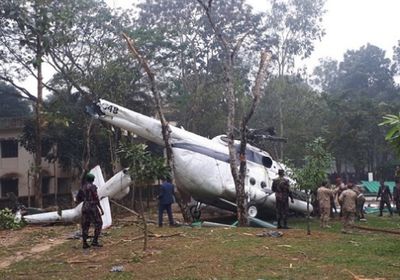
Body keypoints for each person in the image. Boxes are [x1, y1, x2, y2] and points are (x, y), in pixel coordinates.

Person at [76, 173, 104, 249]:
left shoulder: (82, 187)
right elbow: (96, 198)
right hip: (92, 207)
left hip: (85, 206)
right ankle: (94, 241)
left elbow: (78, 198)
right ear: (92, 180)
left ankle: (85, 243)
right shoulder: (93, 187)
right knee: (99, 223)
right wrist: (100, 208)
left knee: (85, 225)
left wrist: (85, 200)